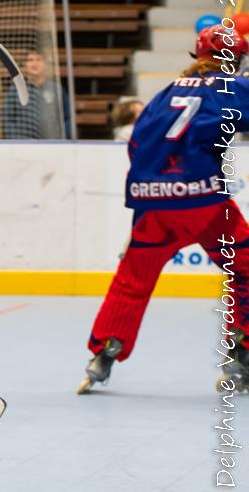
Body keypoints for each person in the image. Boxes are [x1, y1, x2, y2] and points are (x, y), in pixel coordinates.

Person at [78, 24, 249, 394]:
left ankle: (104, 353)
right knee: (247, 265)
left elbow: (138, 145)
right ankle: (240, 354)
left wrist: (149, 198)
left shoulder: (164, 94)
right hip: (203, 203)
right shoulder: (231, 87)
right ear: (234, 59)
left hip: (153, 201)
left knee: (132, 279)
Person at [1, 48, 70, 139]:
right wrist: (16, 140)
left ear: (45, 64)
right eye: (30, 60)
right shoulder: (15, 90)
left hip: (51, 144)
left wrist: (61, 137)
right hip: (23, 144)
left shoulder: (56, 89)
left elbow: (68, 117)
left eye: (38, 59)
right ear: (25, 66)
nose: (34, 63)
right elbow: (7, 119)